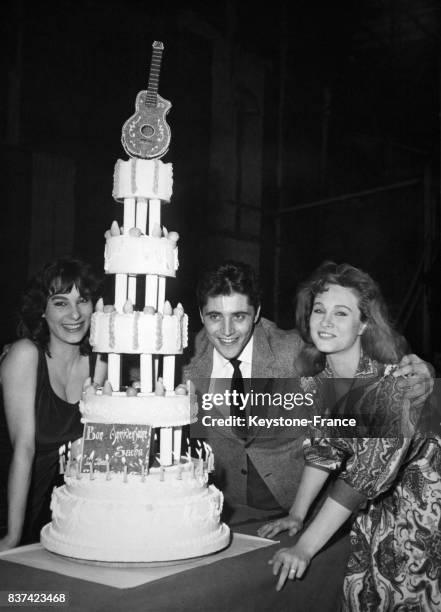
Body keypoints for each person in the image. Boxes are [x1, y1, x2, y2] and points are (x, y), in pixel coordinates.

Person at [183, 260, 433, 522]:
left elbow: (358, 350)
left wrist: (421, 370)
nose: (226, 331)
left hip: (309, 511)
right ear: (201, 316)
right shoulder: (183, 361)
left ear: (256, 314)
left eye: (239, 316)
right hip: (228, 513)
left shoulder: (293, 351)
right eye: (214, 316)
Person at [259, 262, 440, 610]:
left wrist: (305, 547)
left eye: (341, 313)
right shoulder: (319, 380)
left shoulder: (395, 385)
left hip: (424, 518)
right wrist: (297, 514)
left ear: (364, 323)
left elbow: (362, 475)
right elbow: (325, 449)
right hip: (370, 515)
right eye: (319, 310)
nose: (325, 321)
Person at [0, 257, 106, 550]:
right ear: (42, 311)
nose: (75, 314)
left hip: (60, 515)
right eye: (61, 303)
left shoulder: (99, 363)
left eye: (82, 300)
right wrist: (12, 536)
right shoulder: (25, 355)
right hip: (12, 505)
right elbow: (24, 448)